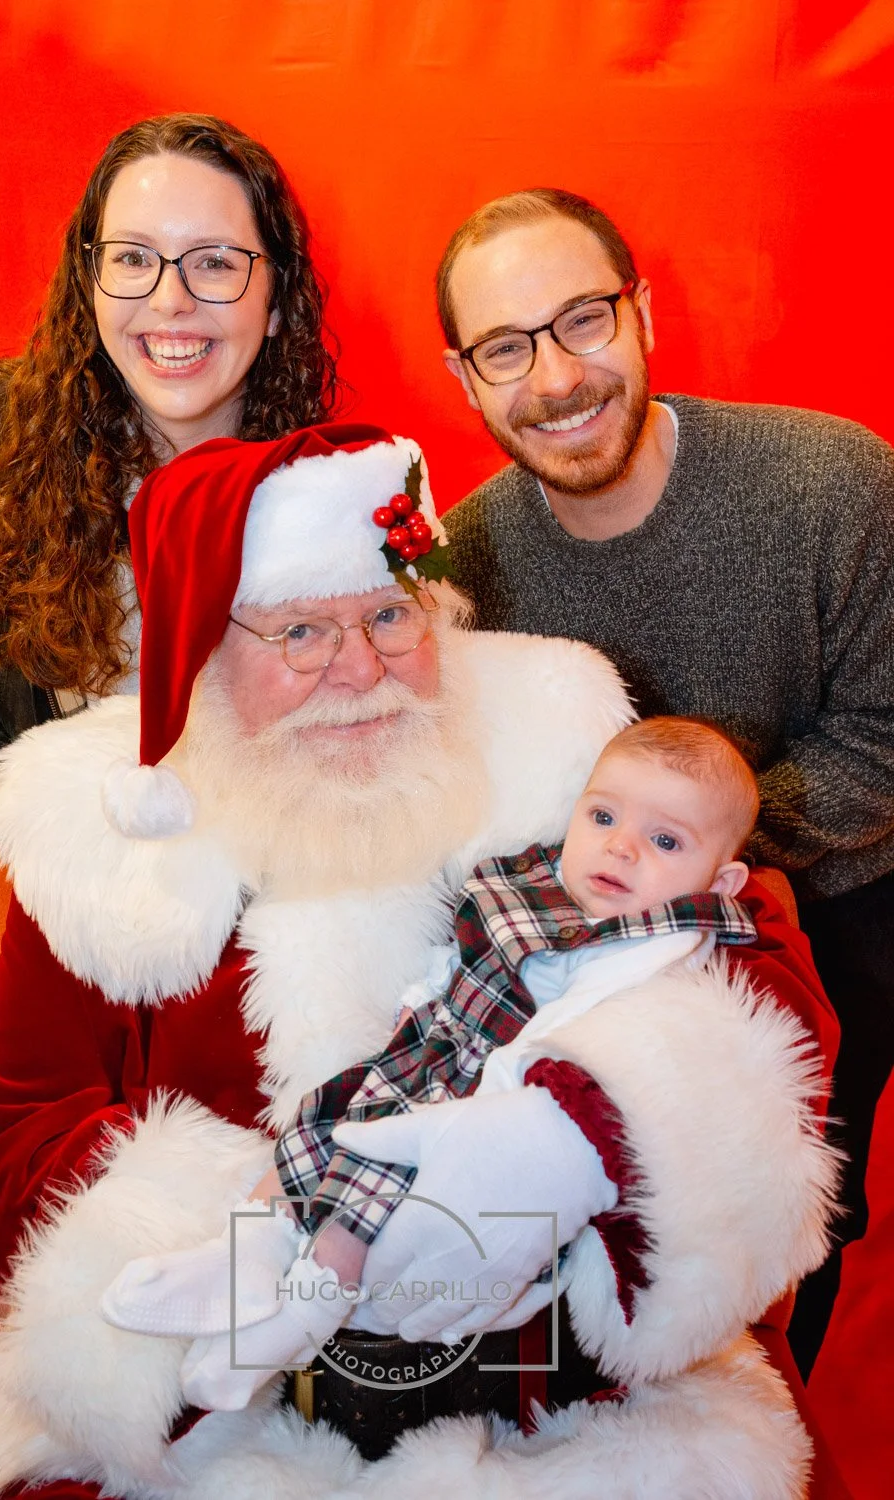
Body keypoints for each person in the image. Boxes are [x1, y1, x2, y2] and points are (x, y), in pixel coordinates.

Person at [0, 425, 837, 1500]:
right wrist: (274, 1226)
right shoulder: (102, 840)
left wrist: (570, 1139)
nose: (359, 670)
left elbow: (760, 983)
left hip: (554, 1409)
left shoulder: (557, 753)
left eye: (388, 617)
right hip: (220, 1420)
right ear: (207, 658)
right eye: (301, 632)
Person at [0, 110, 335, 1359]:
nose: (169, 301)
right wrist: (27, 809)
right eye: (131, 257)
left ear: (273, 287)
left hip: (220, 936)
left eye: (214, 261)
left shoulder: (315, 480)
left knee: (211, 1253)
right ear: (87, 271)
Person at [437, 187, 894, 1374]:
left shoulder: (834, 485)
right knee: (568, 1204)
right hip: (571, 926)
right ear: (465, 379)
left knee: (776, 1225)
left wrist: (690, 873)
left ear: (641, 315)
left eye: (581, 319)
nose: (554, 378)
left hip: (830, 915)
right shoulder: (466, 561)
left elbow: (884, 738)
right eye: (504, 347)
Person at [100, 714, 765, 1415]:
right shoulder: (544, 882)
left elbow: (578, 1037)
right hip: (431, 1046)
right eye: (602, 815)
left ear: (721, 882)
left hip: (484, 1105)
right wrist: (422, 1001)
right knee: (318, 1122)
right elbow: (464, 954)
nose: (621, 848)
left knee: (370, 1190)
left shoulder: (652, 945)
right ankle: (250, 1254)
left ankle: (305, 1315)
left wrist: (496, 1112)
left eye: (665, 841)